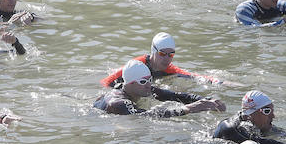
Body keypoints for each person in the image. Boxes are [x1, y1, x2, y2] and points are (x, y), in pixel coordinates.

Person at [92, 59, 226, 117]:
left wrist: (206, 101)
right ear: (130, 83)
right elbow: (145, 116)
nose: (149, 85)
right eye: (144, 81)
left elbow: (176, 96)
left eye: (150, 80)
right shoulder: (118, 103)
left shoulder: (142, 88)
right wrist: (188, 109)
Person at [212, 90, 286, 144]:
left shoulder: (254, 123)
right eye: (267, 111)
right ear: (251, 113)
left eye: (272, 110)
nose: (273, 116)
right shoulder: (233, 129)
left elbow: (280, 134)